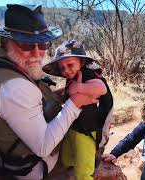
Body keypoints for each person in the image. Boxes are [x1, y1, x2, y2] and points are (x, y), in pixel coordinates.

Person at [0, 4, 97, 179]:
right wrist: (74, 104)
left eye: (42, 44)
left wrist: (58, 96)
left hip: (7, 148)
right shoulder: (14, 86)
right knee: (85, 140)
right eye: (26, 45)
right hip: (29, 166)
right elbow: (43, 147)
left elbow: (21, 105)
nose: (37, 53)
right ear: (7, 41)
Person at [42, 40, 114, 180]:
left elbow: (101, 88)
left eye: (70, 65)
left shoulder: (87, 73)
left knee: (83, 173)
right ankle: (81, 162)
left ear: (81, 62)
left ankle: (86, 165)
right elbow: (68, 92)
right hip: (74, 127)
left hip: (87, 132)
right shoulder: (74, 76)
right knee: (66, 158)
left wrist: (80, 88)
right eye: (62, 68)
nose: (66, 70)